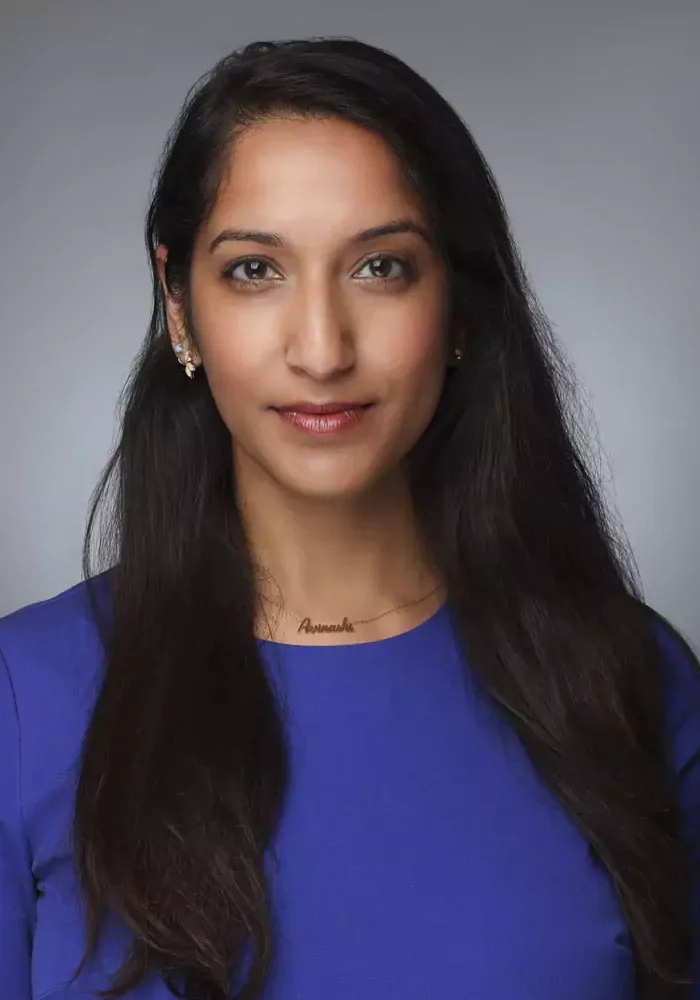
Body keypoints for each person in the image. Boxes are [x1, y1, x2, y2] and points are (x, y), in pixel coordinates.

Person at [0, 36, 698, 1000]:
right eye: (255, 271)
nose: (322, 349)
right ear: (178, 305)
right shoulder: (20, 699)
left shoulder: (630, 681)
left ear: (457, 304)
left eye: (380, 267)